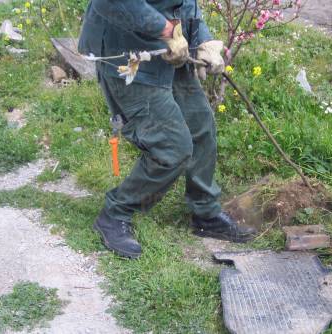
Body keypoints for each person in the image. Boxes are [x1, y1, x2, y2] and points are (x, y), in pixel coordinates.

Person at [78, 0, 256, 259]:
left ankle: (205, 213)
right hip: (129, 57)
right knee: (172, 147)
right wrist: (166, 31)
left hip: (171, 53)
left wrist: (203, 41)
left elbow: (183, 4)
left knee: (201, 127)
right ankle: (115, 213)